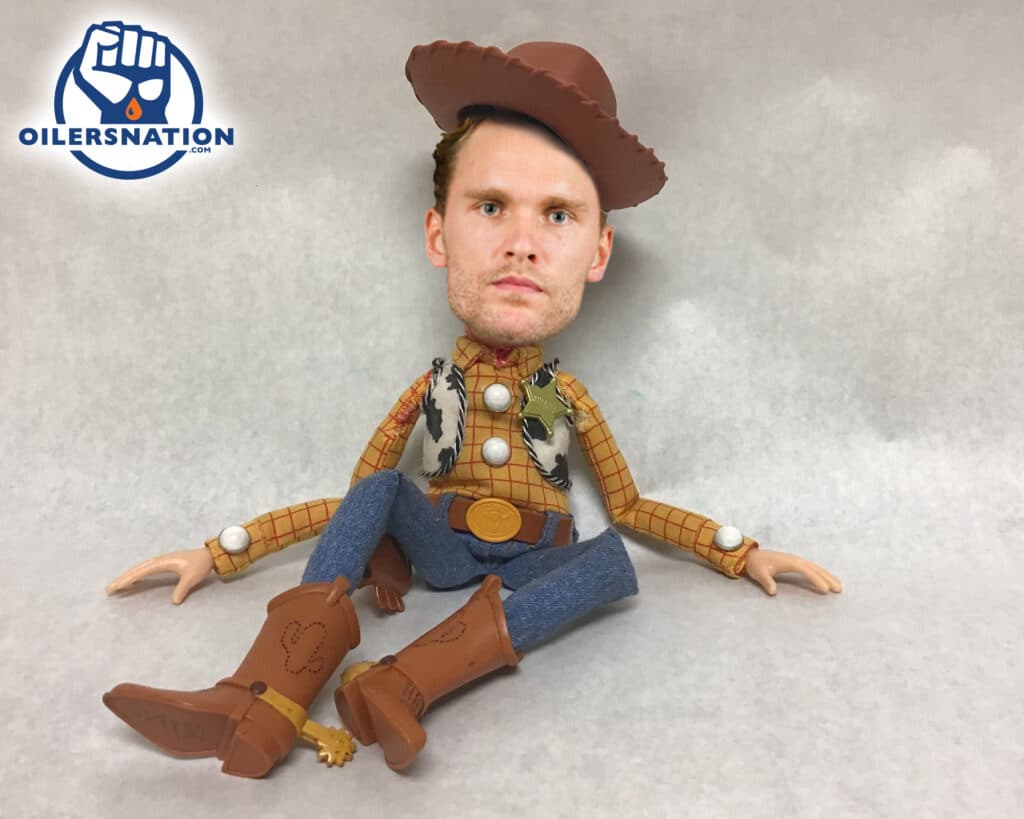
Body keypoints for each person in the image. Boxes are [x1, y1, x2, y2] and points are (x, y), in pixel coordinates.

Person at [104, 40, 841, 779]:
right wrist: (224, 549)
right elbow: (357, 500)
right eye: (490, 207)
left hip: (538, 558)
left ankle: (400, 685)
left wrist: (737, 549)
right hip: (444, 551)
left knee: (609, 563)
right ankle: (260, 696)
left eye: (558, 215)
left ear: (597, 253)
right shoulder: (432, 389)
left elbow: (630, 506)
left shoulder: (565, 399)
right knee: (385, 486)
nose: (522, 245)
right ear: (438, 233)